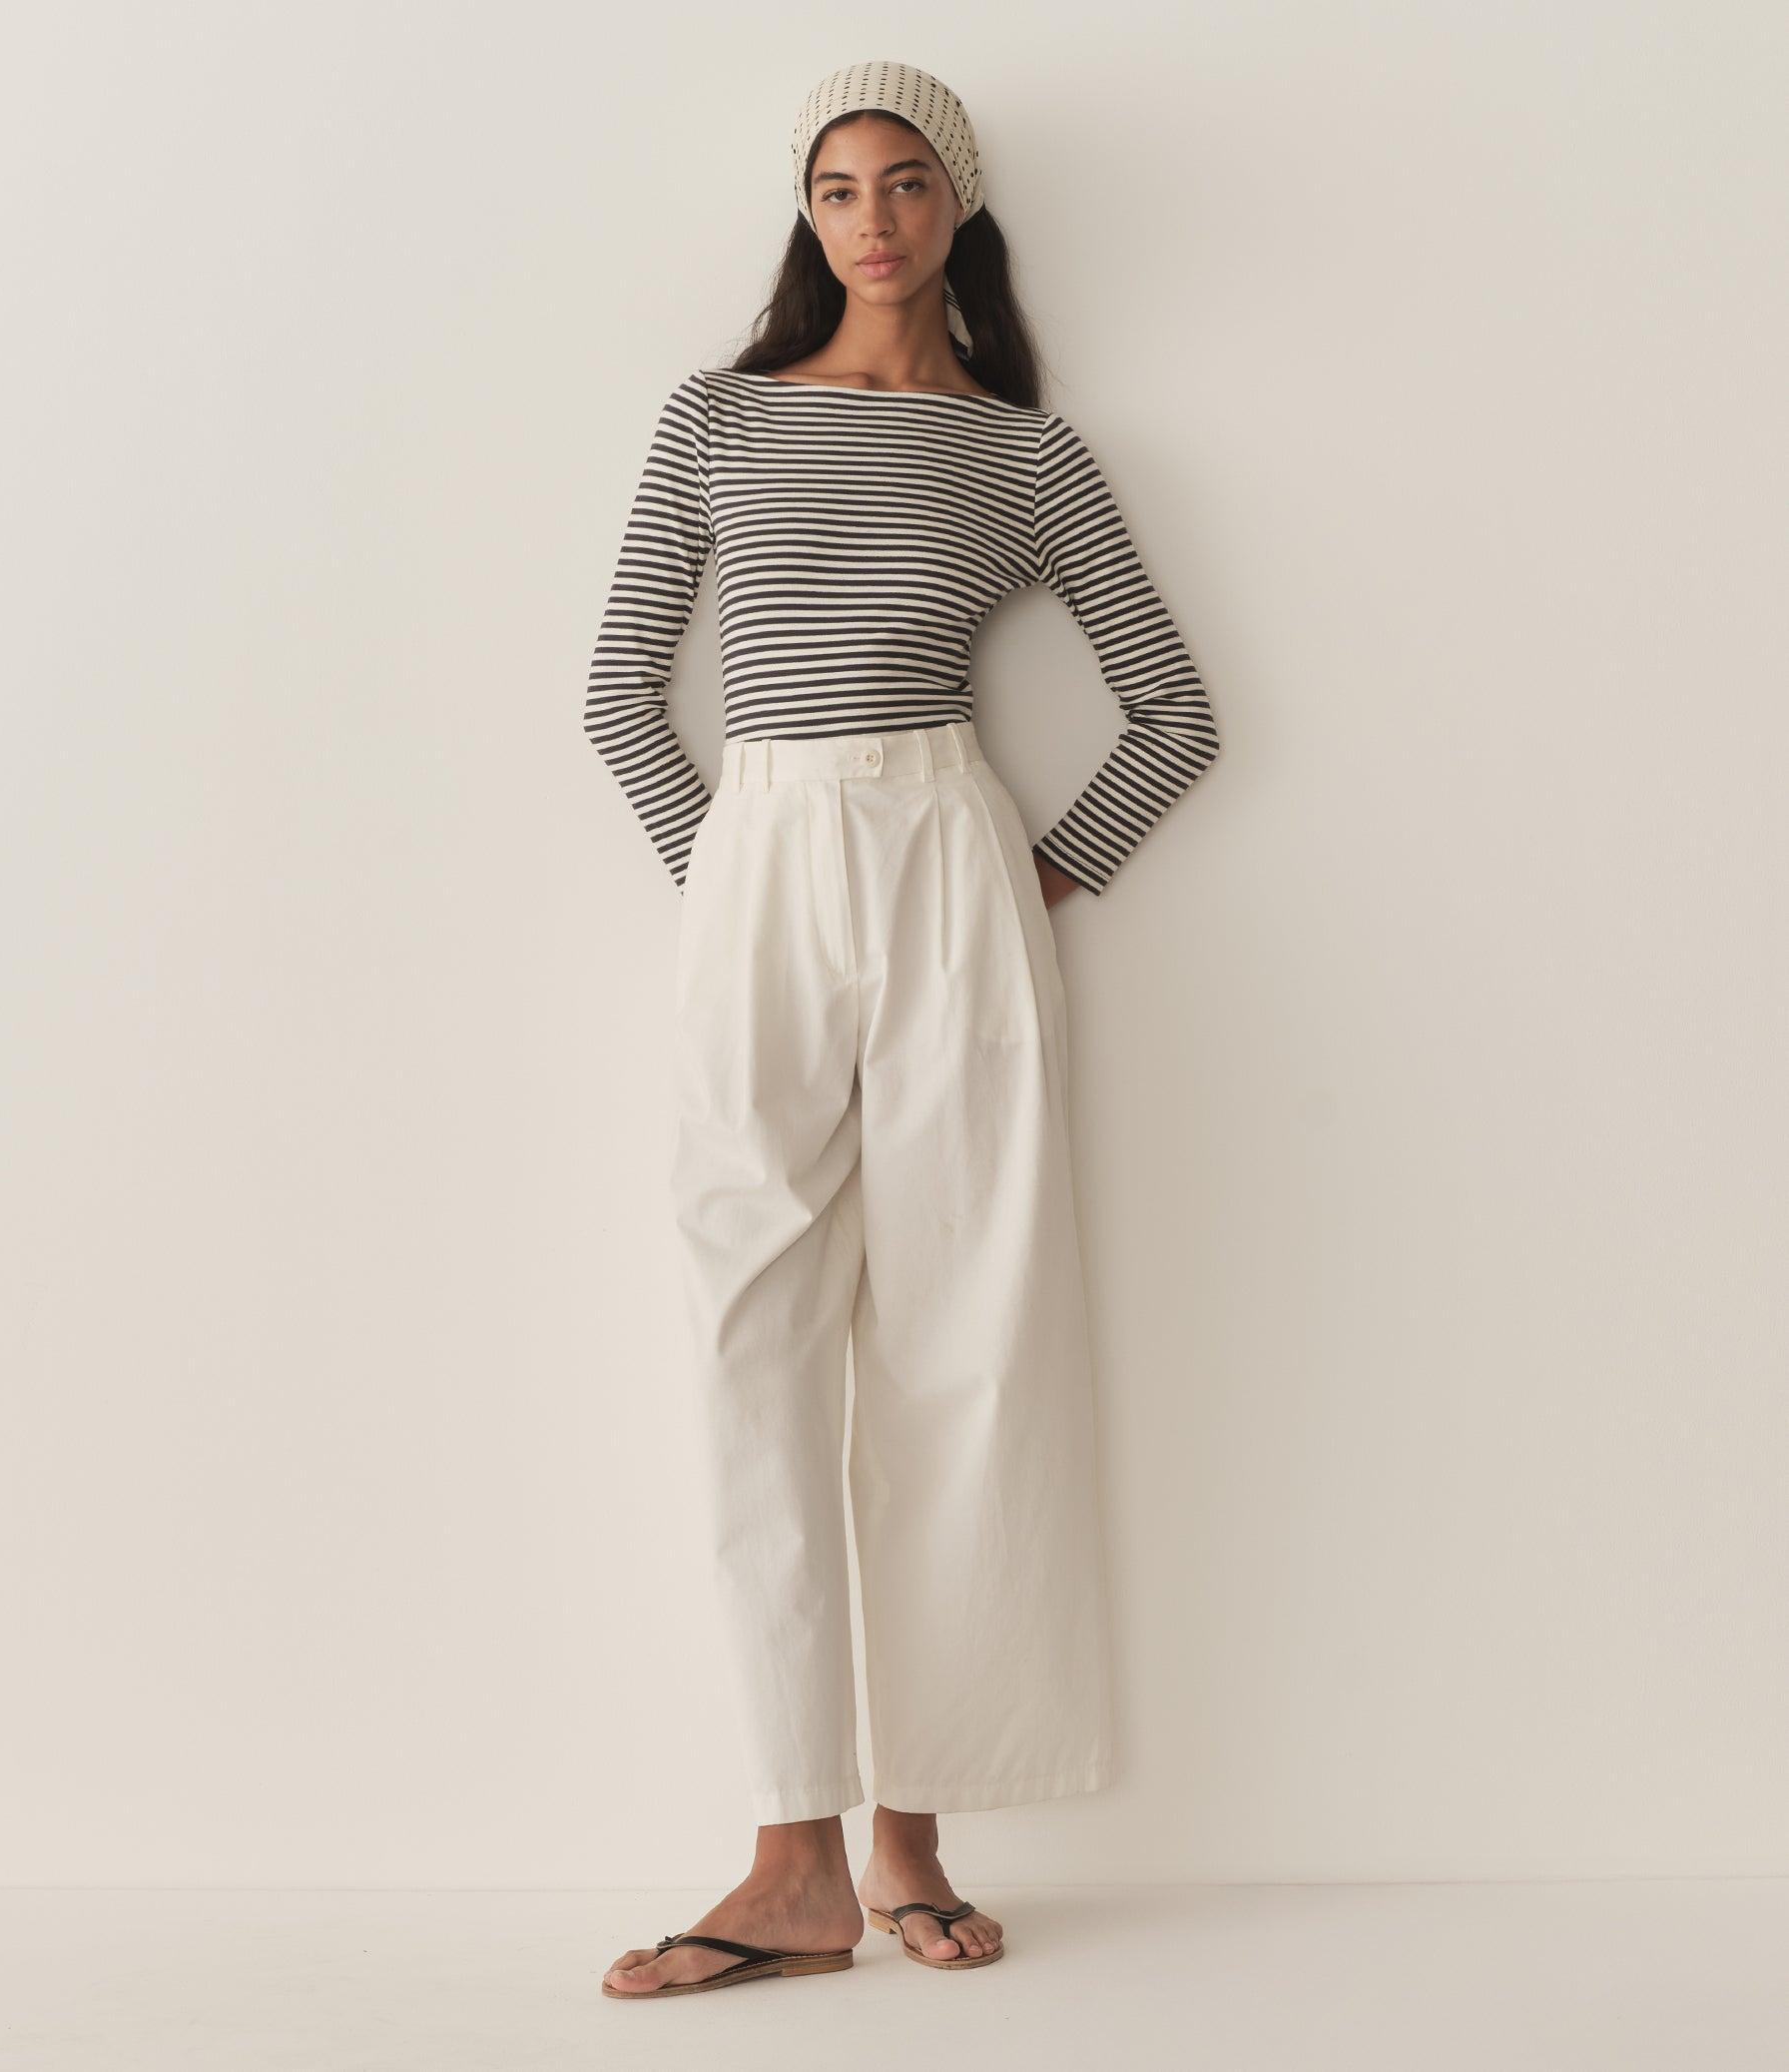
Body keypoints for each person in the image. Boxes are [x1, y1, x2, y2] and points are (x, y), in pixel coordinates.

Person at [586, 60, 1220, 2001]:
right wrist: (733, 879)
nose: (874, 219)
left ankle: (909, 1839)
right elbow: (619, 691)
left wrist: (1020, 887)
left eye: (910, 184)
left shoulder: (1026, 456)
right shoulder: (717, 419)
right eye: (841, 188)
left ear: (960, 208)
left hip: (951, 861)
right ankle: (788, 1855)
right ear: (809, 215)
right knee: (750, 1339)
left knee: (965, 1345)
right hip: (764, 860)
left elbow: (1174, 712)